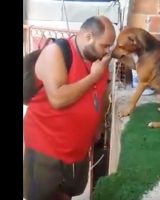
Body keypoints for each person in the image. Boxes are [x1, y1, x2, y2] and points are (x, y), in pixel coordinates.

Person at [23, 16, 116, 200]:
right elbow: (58, 98)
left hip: (78, 149)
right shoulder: (55, 53)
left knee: (67, 193)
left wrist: (98, 126)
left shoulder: (99, 60)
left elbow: (102, 93)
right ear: (89, 36)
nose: (108, 51)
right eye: (105, 45)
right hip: (47, 148)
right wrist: (93, 77)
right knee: (43, 196)